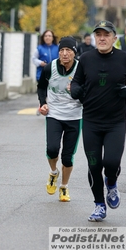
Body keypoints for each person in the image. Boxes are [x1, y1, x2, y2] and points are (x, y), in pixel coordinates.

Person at [70, 20, 126, 222]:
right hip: (92, 121)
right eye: (99, 35)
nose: (102, 38)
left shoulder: (124, 59)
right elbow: (76, 81)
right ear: (95, 38)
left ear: (114, 38)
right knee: (94, 165)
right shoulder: (86, 59)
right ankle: (99, 204)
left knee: (111, 162)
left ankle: (111, 183)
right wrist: (77, 90)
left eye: (106, 34)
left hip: (116, 121)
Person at [37, 36, 82, 202]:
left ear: (74, 53)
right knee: (52, 150)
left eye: (68, 50)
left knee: (68, 157)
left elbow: (88, 93)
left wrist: (77, 91)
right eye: (62, 50)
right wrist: (43, 103)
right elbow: (41, 87)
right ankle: (53, 172)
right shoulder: (50, 67)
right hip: (54, 114)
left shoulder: (80, 69)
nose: (64, 54)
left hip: (75, 116)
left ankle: (64, 187)